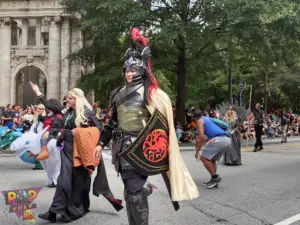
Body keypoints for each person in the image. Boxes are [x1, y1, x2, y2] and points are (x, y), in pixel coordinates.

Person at [97, 28, 199, 225]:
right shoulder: (117, 94)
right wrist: (100, 144)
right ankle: (146, 189)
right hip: (122, 149)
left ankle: (142, 196)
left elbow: (161, 125)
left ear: (142, 69)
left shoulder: (152, 94)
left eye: (133, 69)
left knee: (134, 195)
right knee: (130, 192)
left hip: (142, 149)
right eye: (127, 69)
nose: (129, 73)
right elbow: (111, 123)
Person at [30, 84, 122, 222]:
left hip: (82, 152)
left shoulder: (88, 113)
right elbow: (52, 110)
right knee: (63, 181)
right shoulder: (66, 113)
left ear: (78, 99)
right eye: (67, 99)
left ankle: (78, 209)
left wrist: (84, 136)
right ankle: (54, 211)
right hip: (67, 150)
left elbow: (98, 131)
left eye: (71, 98)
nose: (68, 101)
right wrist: (38, 93)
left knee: (80, 181)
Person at [194, 110, 231, 189]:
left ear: (194, 118)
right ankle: (214, 181)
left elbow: (201, 137)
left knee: (203, 157)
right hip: (226, 139)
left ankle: (215, 178)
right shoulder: (207, 119)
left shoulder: (200, 121)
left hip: (218, 139)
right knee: (211, 159)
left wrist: (197, 152)